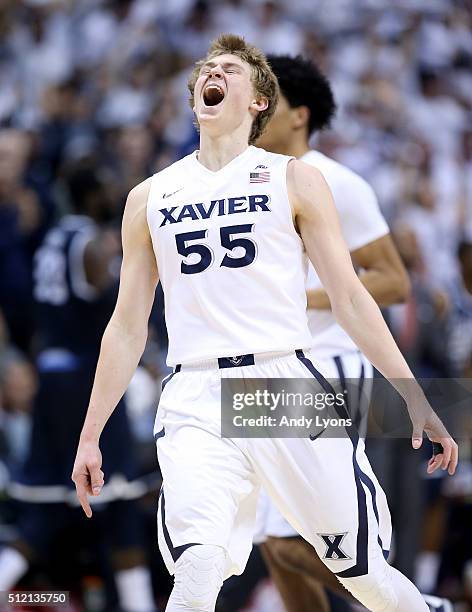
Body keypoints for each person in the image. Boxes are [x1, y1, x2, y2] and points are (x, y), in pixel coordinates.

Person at [72, 34, 457, 612]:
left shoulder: (295, 179)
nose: (214, 72)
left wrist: (415, 395)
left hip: (283, 383)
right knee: (199, 566)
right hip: (196, 391)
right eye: (207, 68)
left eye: (229, 68)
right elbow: (127, 324)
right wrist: (91, 430)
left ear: (258, 102)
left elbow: (352, 298)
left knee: (363, 573)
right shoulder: (149, 197)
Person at [255, 54, 453, 612]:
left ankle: (414, 605)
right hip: (274, 371)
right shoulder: (252, 181)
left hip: (329, 366)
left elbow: (392, 280)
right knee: (271, 547)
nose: (256, 114)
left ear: (300, 115)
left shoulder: (336, 181)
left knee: (290, 541)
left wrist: (303, 299)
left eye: (268, 105)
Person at [0, 167, 156, 612]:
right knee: (122, 504)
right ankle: (139, 604)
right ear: (92, 196)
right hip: (89, 381)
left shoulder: (50, 238)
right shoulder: (90, 243)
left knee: (46, 508)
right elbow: (119, 309)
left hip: (51, 378)